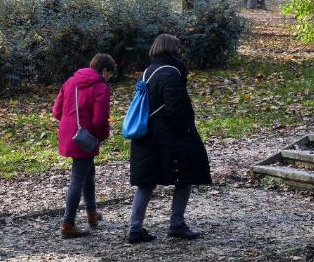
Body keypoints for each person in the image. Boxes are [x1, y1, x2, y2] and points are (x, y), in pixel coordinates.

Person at [126, 34, 211, 244]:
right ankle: (177, 224)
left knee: (146, 183)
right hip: (168, 138)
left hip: (146, 136)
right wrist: (186, 131)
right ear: (171, 49)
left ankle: (134, 229)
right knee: (185, 176)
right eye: (177, 48)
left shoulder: (148, 71)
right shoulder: (171, 73)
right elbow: (175, 108)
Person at [52, 53, 116, 239]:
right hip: (85, 137)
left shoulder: (70, 82)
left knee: (89, 173)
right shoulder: (100, 87)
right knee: (78, 179)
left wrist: (69, 123)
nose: (110, 79)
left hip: (68, 133)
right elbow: (99, 119)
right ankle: (68, 223)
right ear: (105, 71)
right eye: (110, 75)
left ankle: (91, 213)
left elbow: (57, 111)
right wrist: (102, 136)